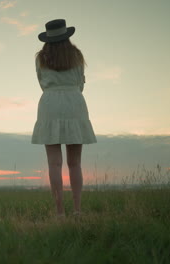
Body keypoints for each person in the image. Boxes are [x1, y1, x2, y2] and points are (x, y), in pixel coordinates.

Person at [31, 19, 97, 217]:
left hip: (49, 104)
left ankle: (59, 211)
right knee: (75, 163)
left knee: (54, 163)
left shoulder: (41, 58)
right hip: (74, 103)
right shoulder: (77, 55)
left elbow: (42, 83)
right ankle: (77, 210)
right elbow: (80, 83)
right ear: (66, 35)